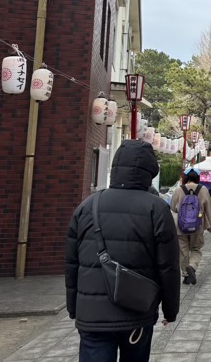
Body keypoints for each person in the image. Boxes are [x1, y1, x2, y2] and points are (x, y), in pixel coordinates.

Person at [65, 140, 180, 362]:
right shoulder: (156, 208)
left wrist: (74, 306)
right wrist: (170, 309)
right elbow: (168, 266)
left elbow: (72, 262)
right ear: (149, 172)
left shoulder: (88, 206)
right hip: (136, 310)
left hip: (92, 313)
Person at [171, 168, 211, 285]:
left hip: (181, 226)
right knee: (196, 249)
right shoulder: (203, 190)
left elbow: (173, 208)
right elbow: (209, 209)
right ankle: (192, 266)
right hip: (197, 226)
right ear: (198, 178)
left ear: (186, 178)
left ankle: (185, 275)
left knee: (183, 251)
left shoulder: (179, 190)